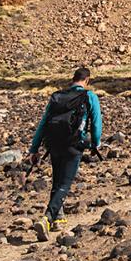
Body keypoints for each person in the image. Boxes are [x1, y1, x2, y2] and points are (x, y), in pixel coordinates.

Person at [28, 66, 102, 236]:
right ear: (87, 80)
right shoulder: (89, 96)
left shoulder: (58, 96)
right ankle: (47, 218)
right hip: (74, 144)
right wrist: (95, 143)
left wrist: (34, 149)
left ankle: (58, 218)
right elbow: (96, 123)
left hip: (53, 144)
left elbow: (43, 123)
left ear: (72, 79)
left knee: (57, 180)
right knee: (64, 184)